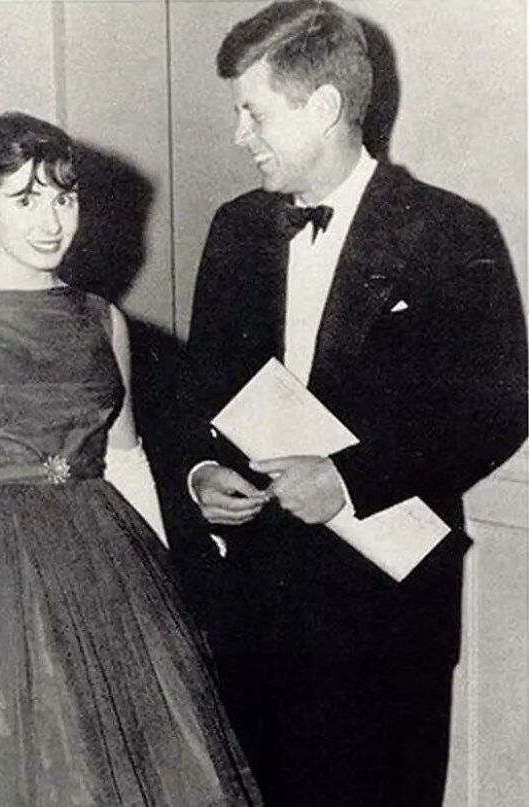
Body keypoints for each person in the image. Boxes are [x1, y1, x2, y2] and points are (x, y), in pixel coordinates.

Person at [0, 112, 262, 806]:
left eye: (64, 197)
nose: (51, 220)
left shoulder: (102, 318)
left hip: (105, 573)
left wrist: (167, 600)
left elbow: (126, 462)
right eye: (24, 199)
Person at [177, 3, 528, 806]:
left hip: (384, 620)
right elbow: (202, 390)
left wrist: (349, 479)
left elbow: (498, 406)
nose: (240, 136)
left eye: (253, 112)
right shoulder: (235, 230)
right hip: (254, 613)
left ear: (325, 108)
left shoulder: (446, 231)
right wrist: (200, 472)